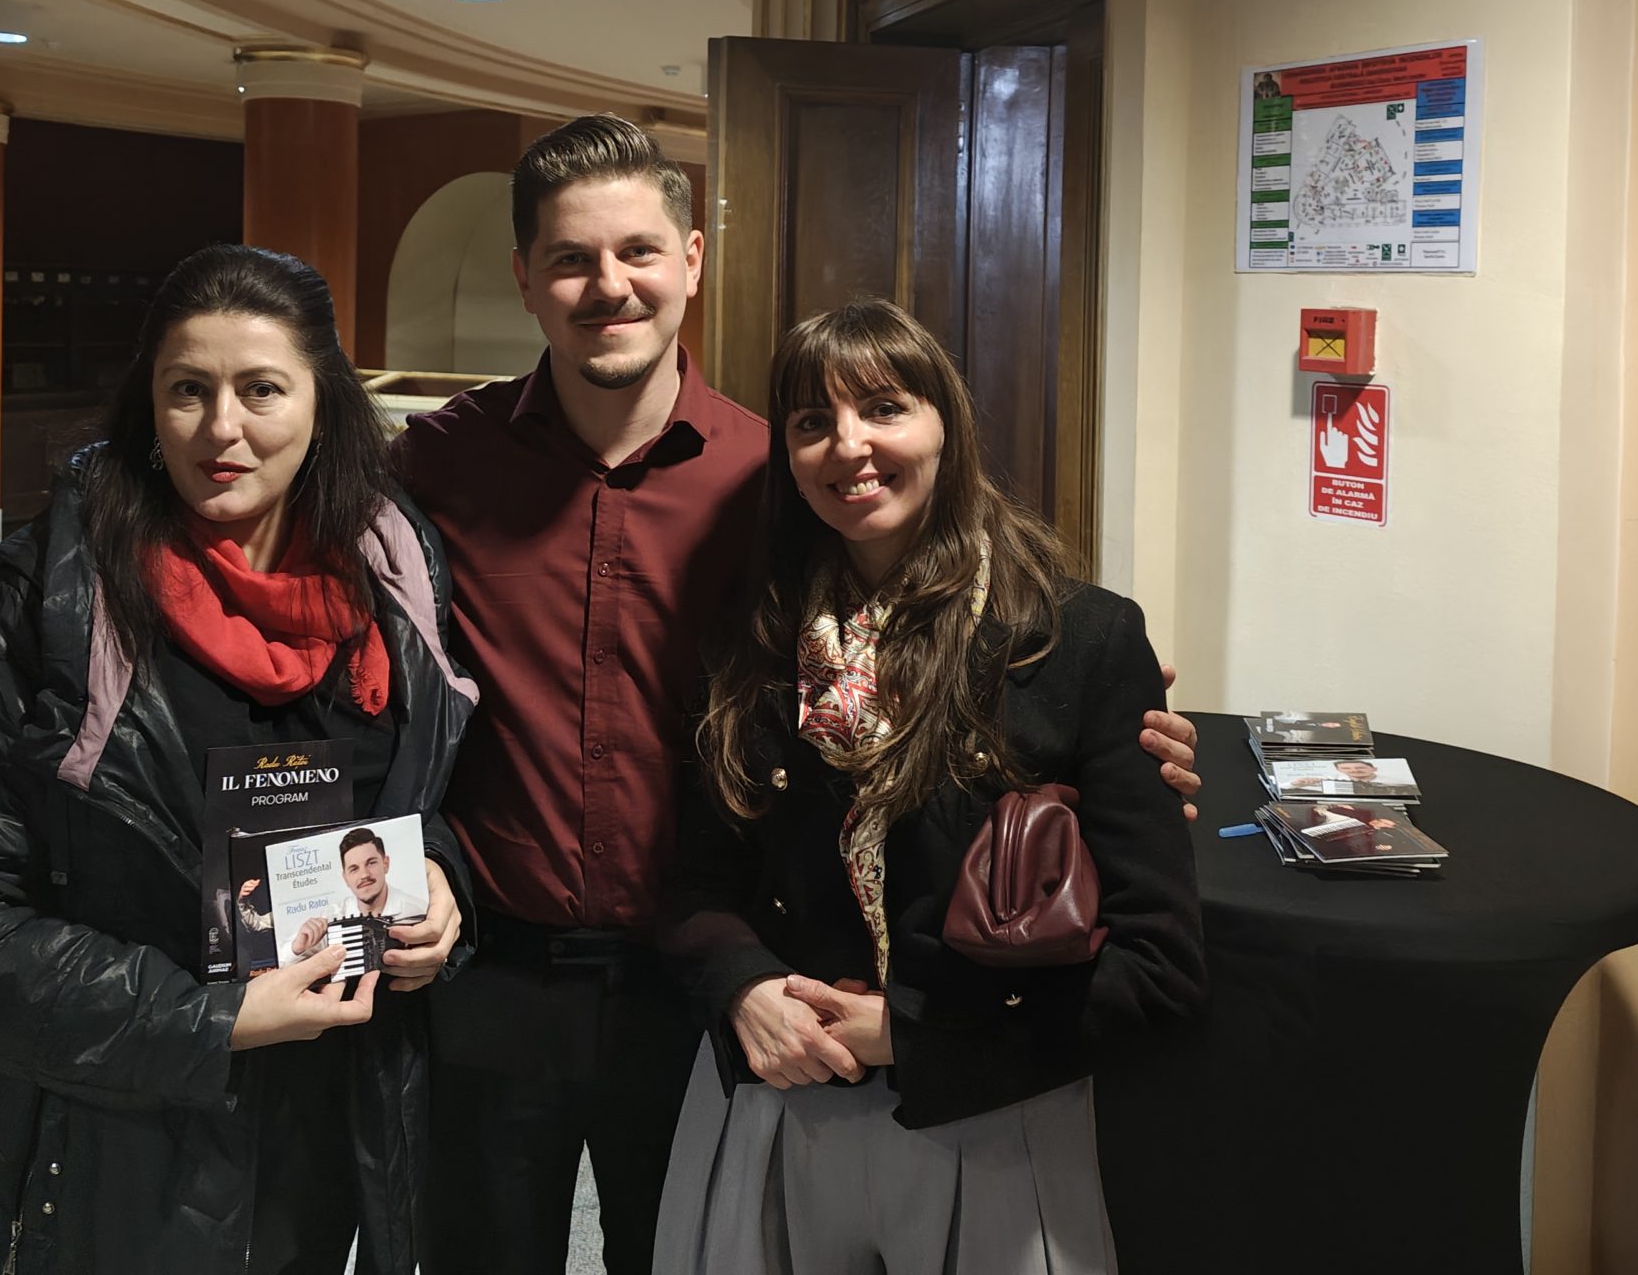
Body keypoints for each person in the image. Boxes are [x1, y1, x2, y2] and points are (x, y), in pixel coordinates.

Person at [399, 115, 1205, 1275]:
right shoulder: (436, 461)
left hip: (701, 989)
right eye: (571, 258)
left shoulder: (774, 480)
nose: (608, 284)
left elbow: (958, 644)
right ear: (526, 276)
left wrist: (1108, 733)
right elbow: (371, 678)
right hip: (502, 963)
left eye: (637, 250)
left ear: (690, 261)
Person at [0, 245, 477, 1275]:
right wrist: (213, 1019)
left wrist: (440, 885)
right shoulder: (42, 613)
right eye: (188, 391)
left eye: (262, 390)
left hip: (328, 1133)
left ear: (325, 404)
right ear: (148, 406)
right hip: (110, 1148)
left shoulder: (396, 588)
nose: (221, 429)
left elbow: (432, 808)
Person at [653, 300, 1207, 1274]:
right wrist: (741, 988)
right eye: (813, 422)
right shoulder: (754, 639)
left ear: (946, 425)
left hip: (990, 1116)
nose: (848, 446)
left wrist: (911, 1036)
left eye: (883, 408)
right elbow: (696, 882)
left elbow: (1158, 970)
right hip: (783, 1103)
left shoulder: (1079, 639)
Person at [292, 827, 431, 955]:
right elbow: (287, 960)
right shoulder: (331, 918)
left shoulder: (419, 910)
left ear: (386, 864)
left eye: (371, 863)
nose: (364, 875)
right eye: (354, 869)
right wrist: (296, 948)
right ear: (345, 878)